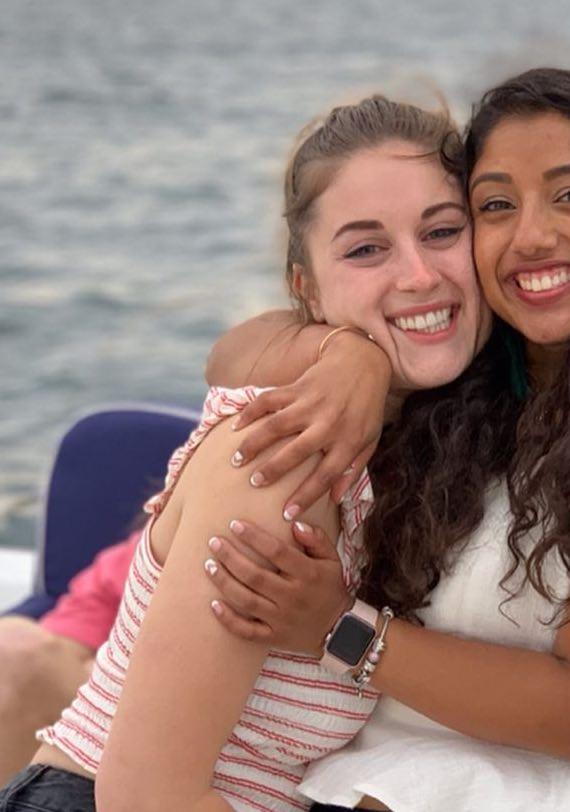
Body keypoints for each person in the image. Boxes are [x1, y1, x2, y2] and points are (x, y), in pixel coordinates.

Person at [198, 68, 570, 811]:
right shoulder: (456, 367)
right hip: (352, 782)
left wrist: (338, 627)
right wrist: (349, 356)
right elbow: (230, 356)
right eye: (495, 205)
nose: (531, 236)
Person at [0, 96, 485, 811]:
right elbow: (147, 799)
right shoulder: (280, 459)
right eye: (365, 249)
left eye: (442, 231)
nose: (418, 274)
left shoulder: (422, 450)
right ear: (306, 290)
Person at [0, 533, 137, 785]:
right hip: (105, 703)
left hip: (163, 717)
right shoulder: (140, 551)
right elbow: (61, 641)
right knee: (13, 646)